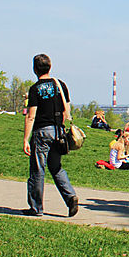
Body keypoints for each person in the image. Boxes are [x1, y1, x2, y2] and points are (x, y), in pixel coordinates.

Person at [21, 53, 79, 217]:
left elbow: (31, 115)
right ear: (50, 66)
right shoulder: (60, 84)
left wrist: (26, 139)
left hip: (42, 132)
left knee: (38, 169)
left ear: (34, 69)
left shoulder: (35, 89)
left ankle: (36, 207)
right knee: (56, 167)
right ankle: (70, 197)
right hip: (58, 132)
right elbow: (67, 111)